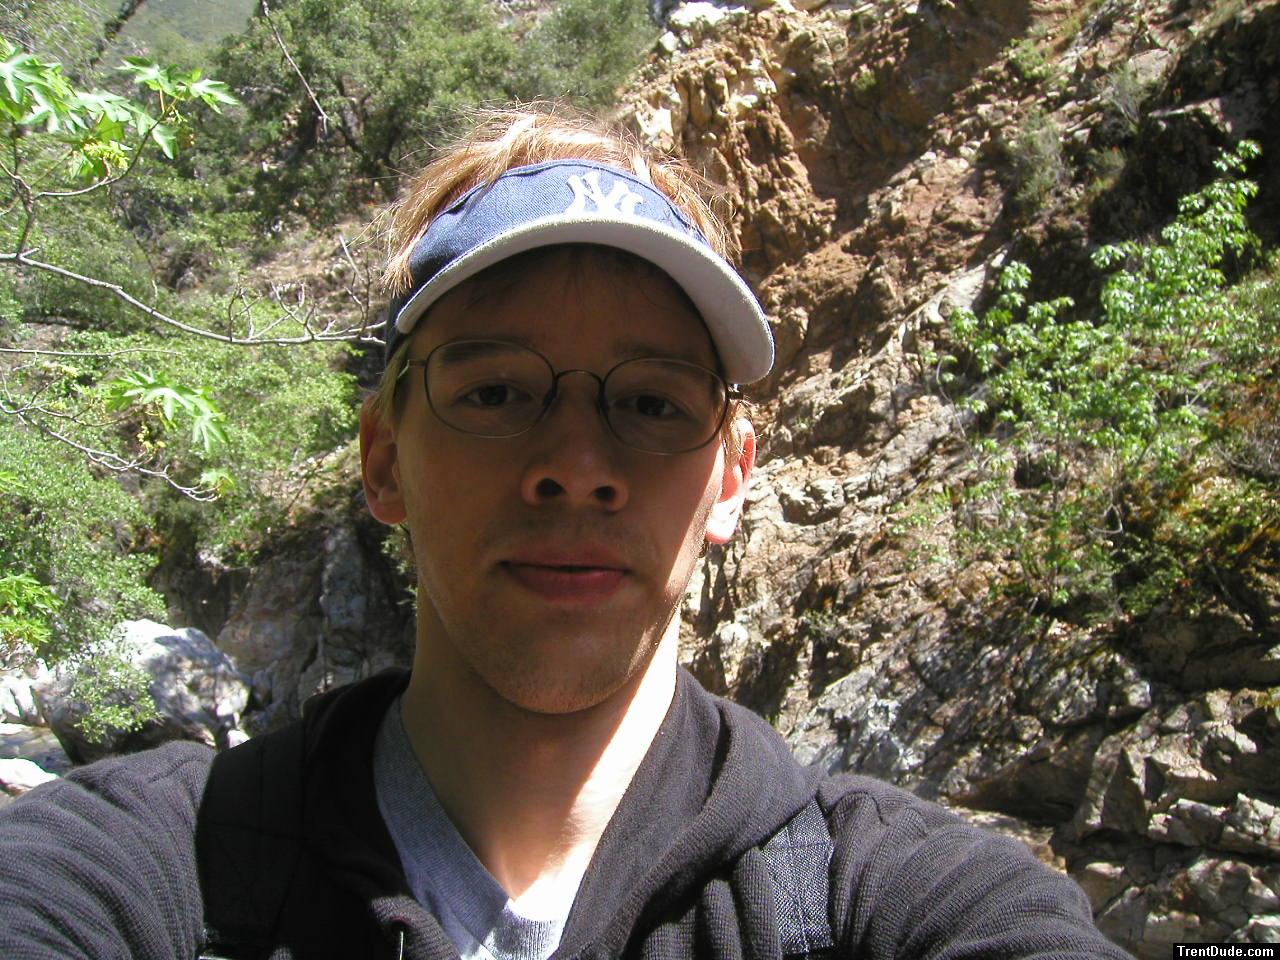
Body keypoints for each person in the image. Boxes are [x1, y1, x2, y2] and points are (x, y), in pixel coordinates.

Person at [0, 108, 1129, 960]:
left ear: (730, 479)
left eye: (652, 402)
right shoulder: (148, 865)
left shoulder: (894, 900)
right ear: (384, 460)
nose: (578, 466)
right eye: (494, 391)